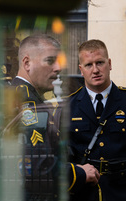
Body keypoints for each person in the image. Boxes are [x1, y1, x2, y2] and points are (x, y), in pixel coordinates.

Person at [5, 34, 63, 200]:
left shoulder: (17, 95)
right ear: (27, 63)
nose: (58, 67)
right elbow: (39, 166)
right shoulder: (28, 102)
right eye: (50, 61)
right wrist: (80, 173)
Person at [68, 39, 126, 200]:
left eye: (100, 63)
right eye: (89, 65)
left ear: (109, 63)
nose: (95, 70)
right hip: (84, 193)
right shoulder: (67, 107)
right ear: (81, 70)